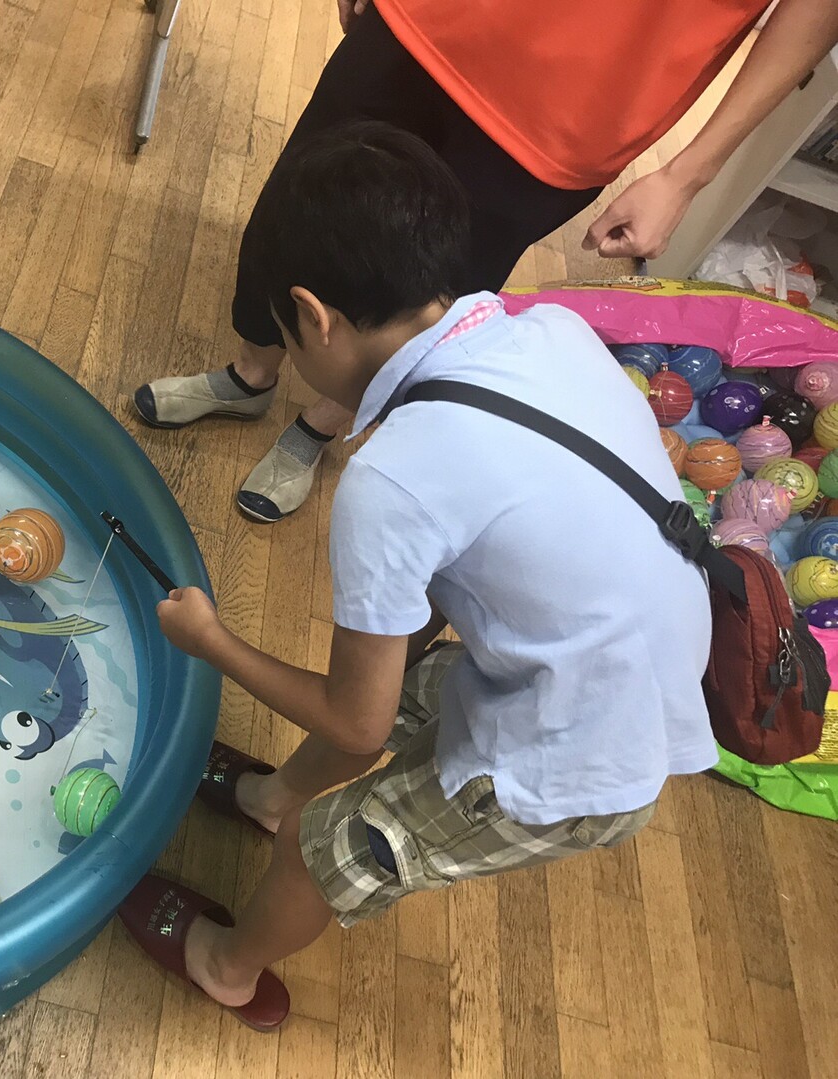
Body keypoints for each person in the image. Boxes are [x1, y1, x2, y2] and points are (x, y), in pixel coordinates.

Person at [115, 122, 717, 1030]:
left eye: (286, 330)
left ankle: (229, 965)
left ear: (312, 317)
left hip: (578, 758)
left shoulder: (392, 474)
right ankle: (272, 797)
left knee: (328, 846)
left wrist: (211, 641)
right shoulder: (552, 328)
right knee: (405, 696)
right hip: (622, 657)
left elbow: (351, 716)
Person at [133, 0, 838, 523]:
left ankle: (318, 426)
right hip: (423, 23)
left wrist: (685, 176)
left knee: (422, 302)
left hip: (571, 109)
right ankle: (250, 375)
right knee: (296, 217)